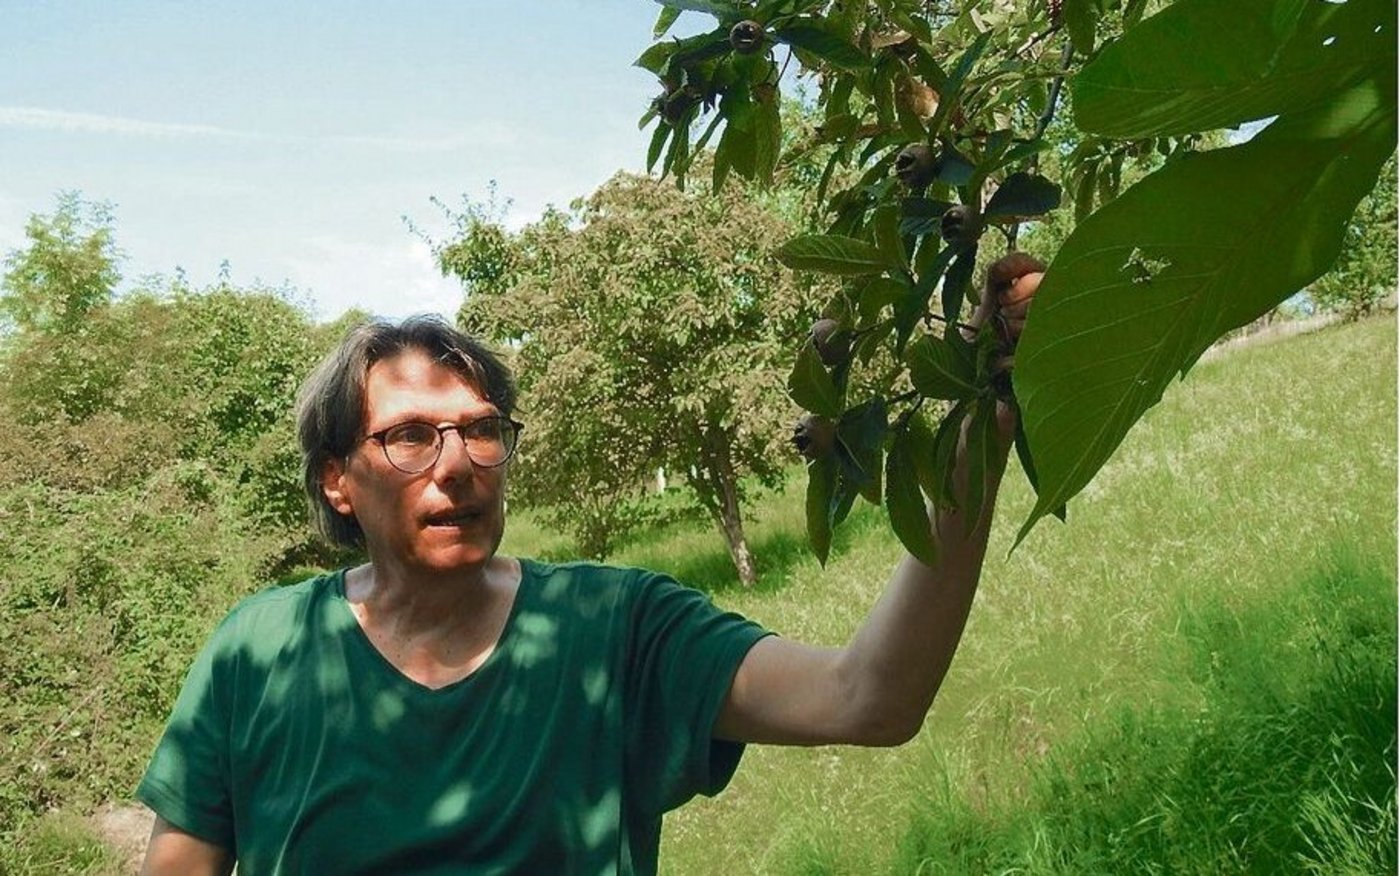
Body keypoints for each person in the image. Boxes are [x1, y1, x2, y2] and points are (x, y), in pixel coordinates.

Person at [136, 263, 1044, 875]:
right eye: (411, 435)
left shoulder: (617, 628)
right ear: (338, 479)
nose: (457, 462)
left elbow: (868, 698)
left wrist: (981, 422)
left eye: (482, 430)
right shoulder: (258, 650)